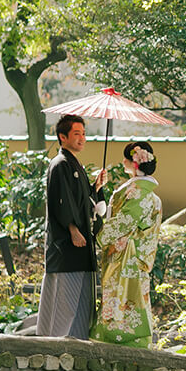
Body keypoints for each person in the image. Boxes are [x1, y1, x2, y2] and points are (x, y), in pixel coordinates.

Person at [38, 114, 107, 338]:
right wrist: (72, 229)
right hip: (67, 246)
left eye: (84, 134)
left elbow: (82, 202)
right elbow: (61, 201)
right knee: (64, 302)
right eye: (76, 134)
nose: (82, 138)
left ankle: (77, 345)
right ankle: (57, 346)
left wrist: (95, 187)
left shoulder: (74, 164)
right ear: (62, 136)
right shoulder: (60, 164)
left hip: (79, 248)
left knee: (80, 302)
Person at [90, 141, 163, 347]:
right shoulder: (142, 191)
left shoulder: (139, 192)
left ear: (135, 163)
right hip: (133, 255)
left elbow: (126, 221)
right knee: (128, 297)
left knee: (123, 297)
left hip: (126, 256)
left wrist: (99, 236)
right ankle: (126, 338)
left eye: (126, 158)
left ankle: (122, 340)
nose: (123, 161)